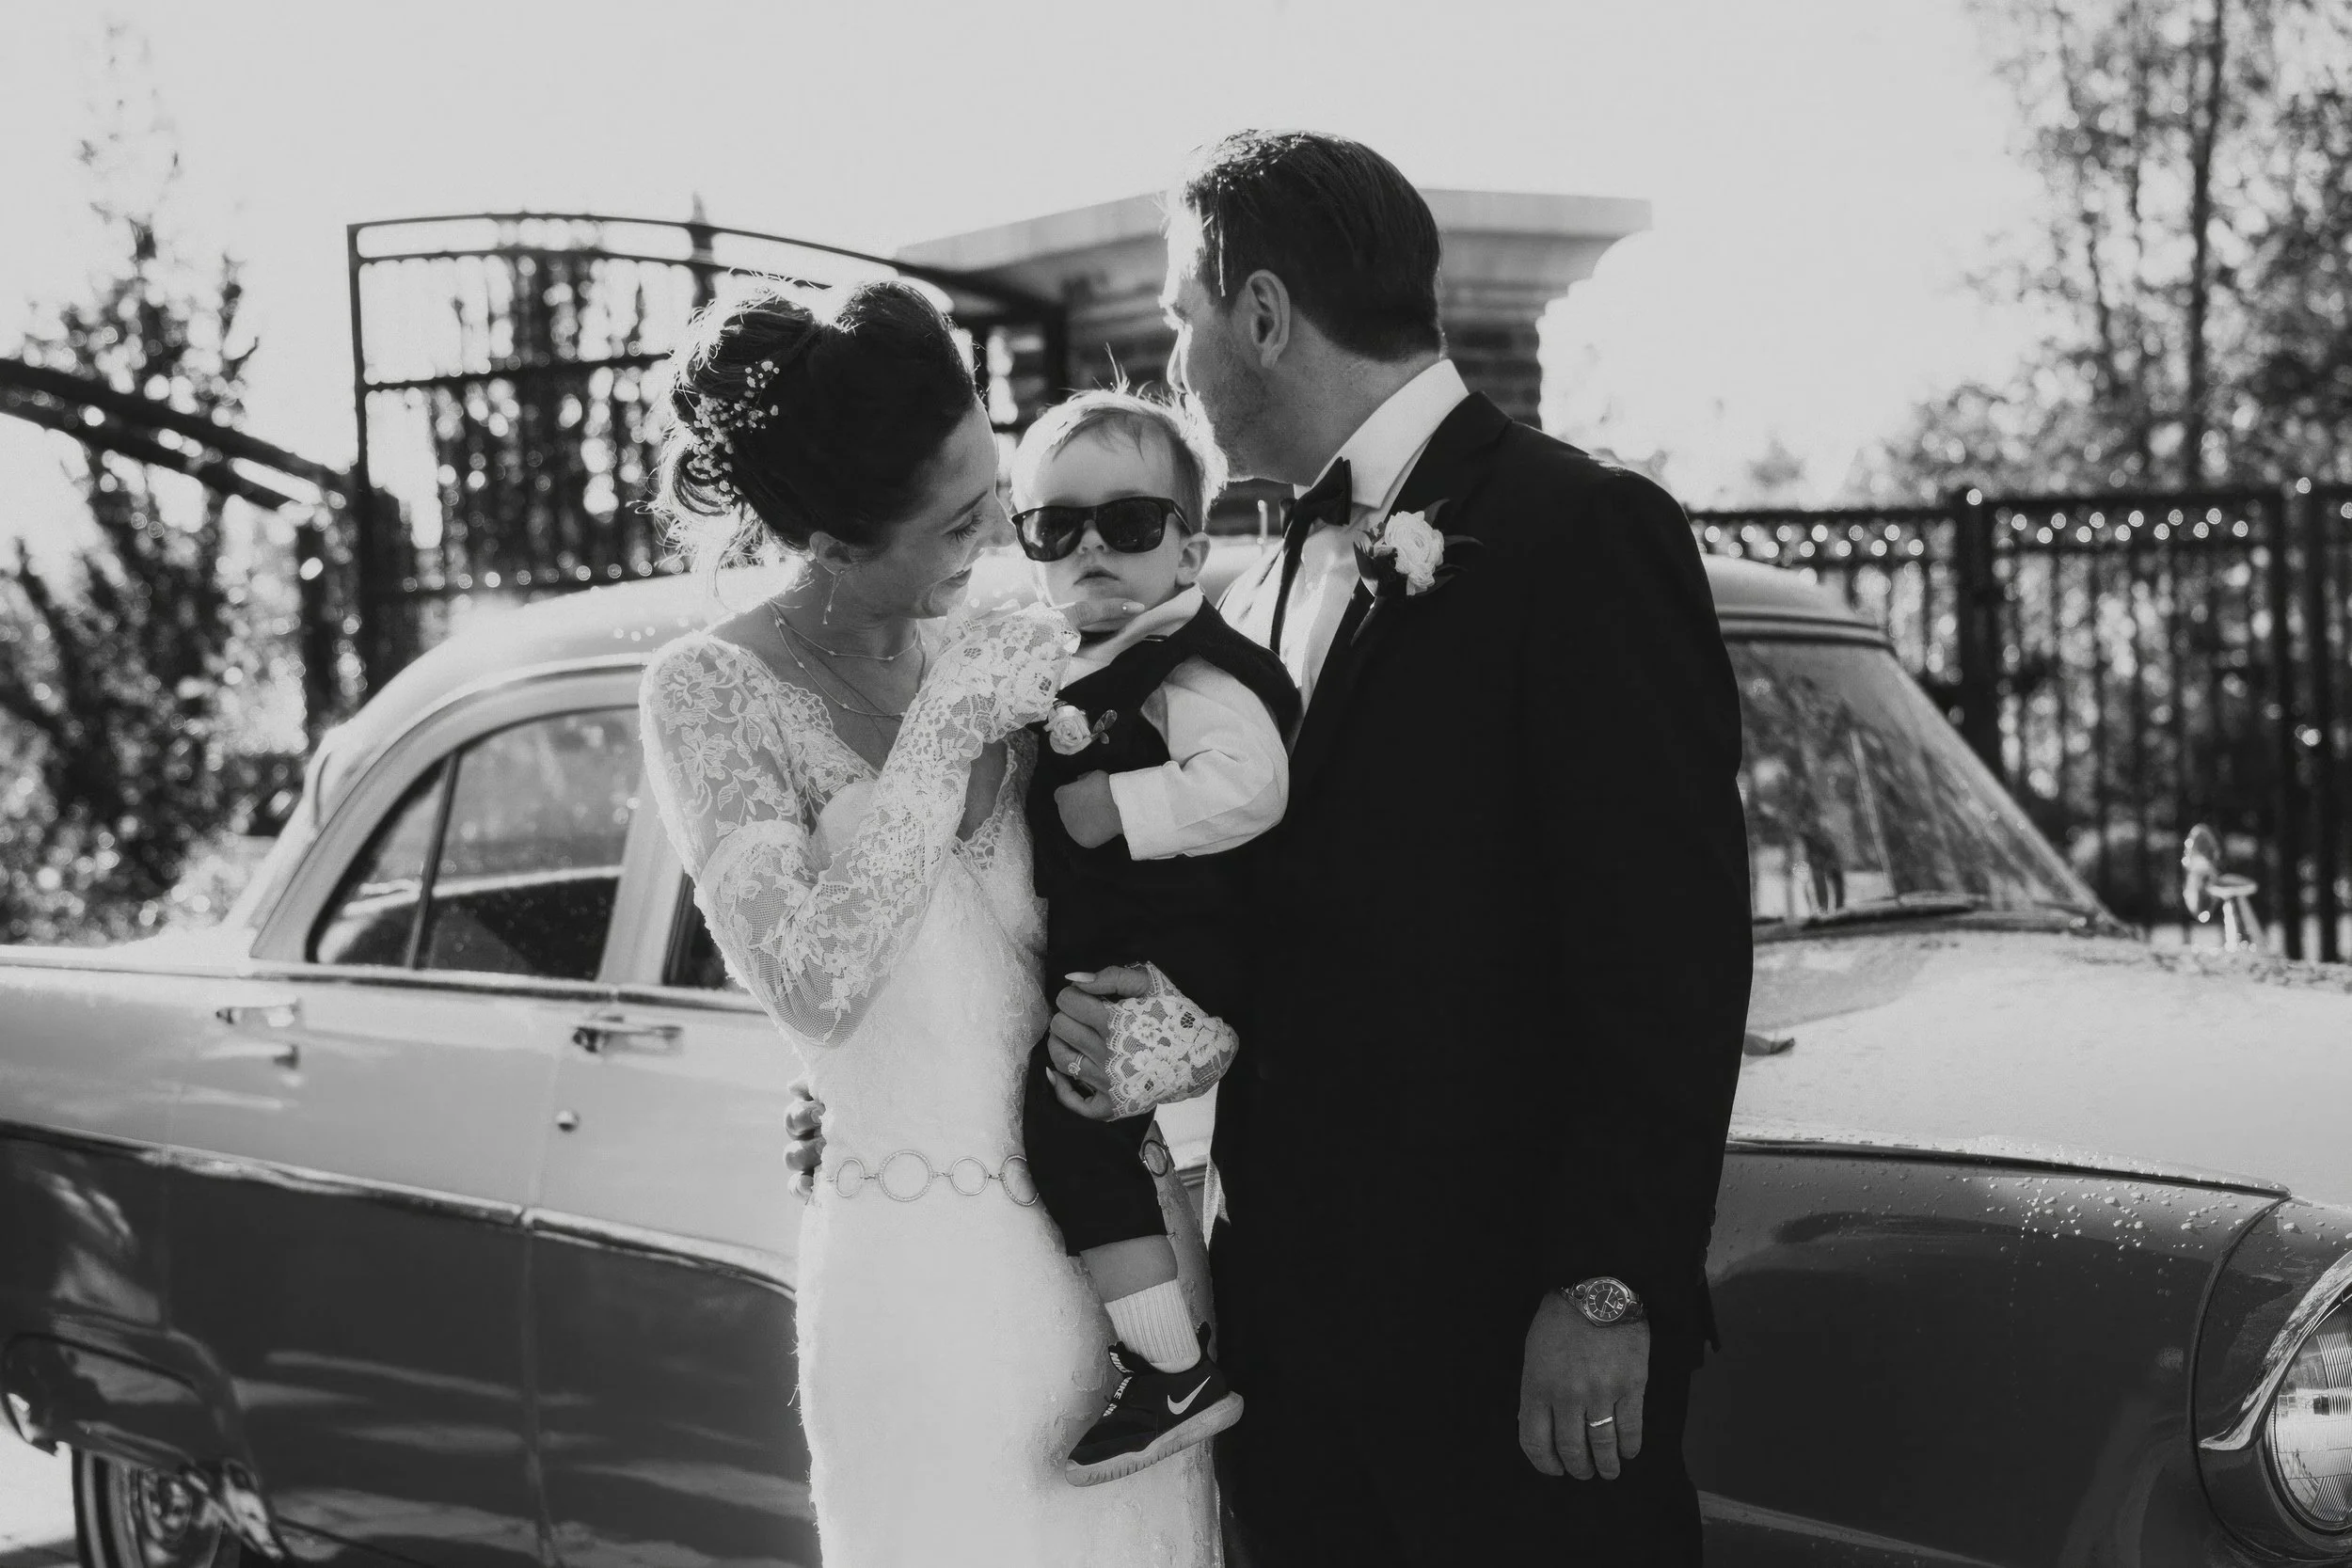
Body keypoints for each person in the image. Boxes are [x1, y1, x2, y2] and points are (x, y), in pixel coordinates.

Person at [1039, 131, 1754, 1563]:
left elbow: (1668, 951)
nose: (1174, 360)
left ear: (1261, 312)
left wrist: (1607, 1285)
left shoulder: (1579, 531)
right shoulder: (1244, 583)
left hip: (1506, 1345)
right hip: (1293, 1348)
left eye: (1184, 317)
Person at [638, 279, 1230, 1567]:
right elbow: (816, 983)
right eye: (961, 522)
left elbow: (1181, 897)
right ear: (841, 539)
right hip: (917, 1289)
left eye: (993, 504)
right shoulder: (709, 691)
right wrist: (947, 726)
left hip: (1119, 1275)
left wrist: (1191, 1033)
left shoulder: (1030, 651)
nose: (998, 550)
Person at [1007, 389, 1299, 1484]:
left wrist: (1116, 806)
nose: (1091, 548)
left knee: (1064, 1124)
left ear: (1190, 546)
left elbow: (1255, 783)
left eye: (1127, 524)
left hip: (1184, 970)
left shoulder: (1187, 665)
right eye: (1055, 526)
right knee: (1079, 1127)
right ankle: (1166, 1352)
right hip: (1135, 969)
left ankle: (1170, 1368)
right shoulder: (1082, 662)